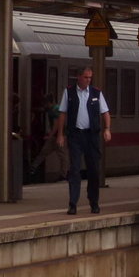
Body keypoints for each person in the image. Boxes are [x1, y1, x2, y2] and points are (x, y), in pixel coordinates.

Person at [51, 67, 111, 215]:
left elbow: (105, 112)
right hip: (76, 135)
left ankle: (94, 202)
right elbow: (63, 114)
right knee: (75, 170)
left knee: (93, 170)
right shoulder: (69, 92)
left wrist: (107, 129)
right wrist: (60, 134)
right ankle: (73, 204)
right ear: (78, 77)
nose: (88, 80)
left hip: (92, 136)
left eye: (90, 78)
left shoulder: (96, 93)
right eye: (85, 77)